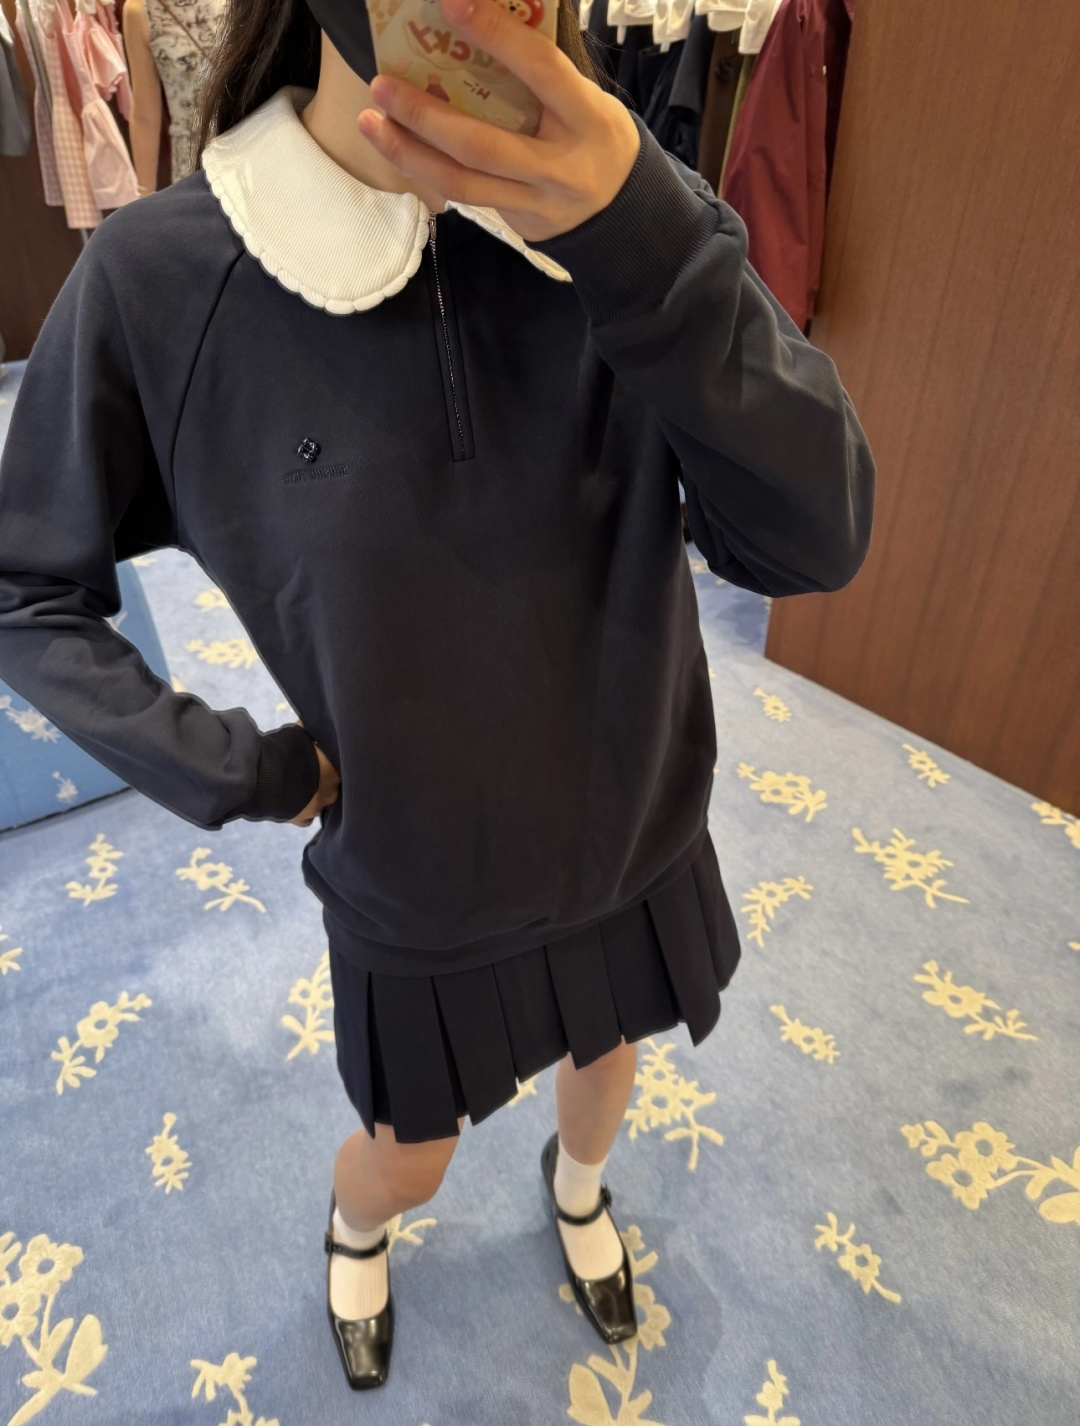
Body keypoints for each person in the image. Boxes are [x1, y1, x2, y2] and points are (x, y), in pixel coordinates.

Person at [0, 0, 875, 1393]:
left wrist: (645, 242)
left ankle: (578, 1195)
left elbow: (813, 538)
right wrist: (241, 767)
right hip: (417, 883)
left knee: (611, 1060)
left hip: (639, 831)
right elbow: (24, 588)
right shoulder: (170, 279)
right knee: (410, 1156)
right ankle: (357, 1227)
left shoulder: (627, 206)